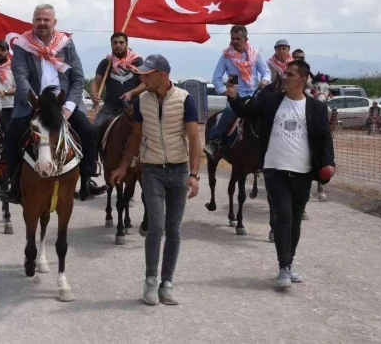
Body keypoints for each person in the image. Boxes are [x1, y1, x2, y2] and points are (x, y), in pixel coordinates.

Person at [224, 58, 335, 288]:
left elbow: (325, 137)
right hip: (275, 170)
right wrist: (233, 96)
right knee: (283, 217)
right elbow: (245, 111)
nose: (285, 77)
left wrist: (328, 163)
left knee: (295, 221)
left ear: (303, 80)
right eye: (285, 73)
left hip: (303, 173)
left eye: (290, 74)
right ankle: (283, 266)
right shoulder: (270, 100)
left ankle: (289, 264)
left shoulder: (316, 108)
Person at [110, 54, 200, 305]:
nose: (143, 80)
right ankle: (151, 279)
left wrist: (194, 175)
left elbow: (194, 139)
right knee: (157, 226)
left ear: (162, 75)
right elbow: (136, 137)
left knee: (173, 229)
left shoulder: (185, 100)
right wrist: (123, 166)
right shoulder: (141, 101)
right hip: (151, 171)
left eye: (147, 75)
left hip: (179, 170)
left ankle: (167, 282)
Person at [0, 3, 107, 204]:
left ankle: (87, 179)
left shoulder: (66, 44)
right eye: (38, 19)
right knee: (12, 135)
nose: (42, 23)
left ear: (54, 22)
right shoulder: (21, 45)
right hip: (33, 103)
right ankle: (13, 184)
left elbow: (78, 78)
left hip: (63, 103)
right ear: (32, 21)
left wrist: (68, 107)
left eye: (46, 19)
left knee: (87, 131)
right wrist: (35, 102)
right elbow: (20, 77)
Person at [204, 25, 271, 157]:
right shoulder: (226, 57)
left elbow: (266, 72)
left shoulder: (255, 55)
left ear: (246, 40)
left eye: (238, 39)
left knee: (267, 113)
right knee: (229, 111)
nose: (234, 41)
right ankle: (215, 141)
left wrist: (264, 80)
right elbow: (216, 78)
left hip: (254, 94)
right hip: (236, 96)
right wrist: (227, 92)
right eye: (232, 38)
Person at [90, 32, 146, 142]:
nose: (118, 45)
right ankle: (94, 153)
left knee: (147, 129)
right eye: (115, 43)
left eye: (121, 42)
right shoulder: (106, 63)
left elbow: (145, 83)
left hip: (133, 105)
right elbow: (95, 82)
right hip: (110, 106)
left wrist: (131, 93)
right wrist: (93, 95)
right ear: (111, 45)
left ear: (127, 44)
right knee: (95, 128)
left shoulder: (137, 61)